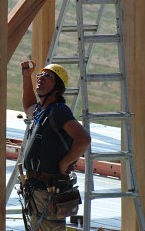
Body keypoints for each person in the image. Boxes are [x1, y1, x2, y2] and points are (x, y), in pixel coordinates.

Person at [19, 61, 91, 230]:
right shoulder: (41, 111)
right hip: (37, 190)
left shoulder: (58, 111)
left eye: (47, 76)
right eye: (40, 75)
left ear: (57, 86)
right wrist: (26, 77)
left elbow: (83, 139)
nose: (41, 78)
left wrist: (65, 162)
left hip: (48, 192)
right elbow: (28, 106)